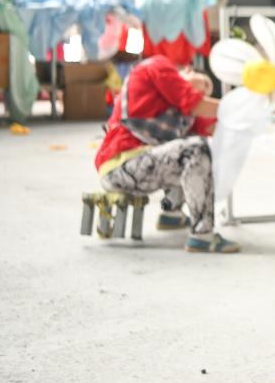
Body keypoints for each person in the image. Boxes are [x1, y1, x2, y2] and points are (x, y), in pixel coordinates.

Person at [94, 54, 240, 253]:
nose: (202, 92)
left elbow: (215, 126)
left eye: (206, 92)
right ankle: (202, 235)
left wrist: (251, 115)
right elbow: (198, 104)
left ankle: (171, 214)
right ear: (188, 71)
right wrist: (236, 107)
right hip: (120, 166)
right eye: (204, 84)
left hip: (140, 169)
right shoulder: (157, 66)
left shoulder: (183, 114)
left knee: (191, 147)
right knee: (195, 149)